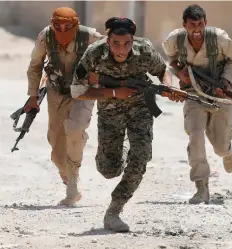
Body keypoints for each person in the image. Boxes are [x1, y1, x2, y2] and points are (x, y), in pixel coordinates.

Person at [70, 17, 184, 232]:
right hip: (110, 112)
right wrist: (114, 92)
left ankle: (114, 210)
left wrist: (168, 87)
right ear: (107, 40)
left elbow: (162, 70)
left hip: (141, 108)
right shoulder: (94, 54)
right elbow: (77, 91)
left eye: (127, 43)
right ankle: (120, 150)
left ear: (133, 40)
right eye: (116, 44)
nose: (121, 50)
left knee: (140, 158)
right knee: (108, 170)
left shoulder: (145, 50)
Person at [162, 4, 232, 204]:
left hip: (218, 94)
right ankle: (201, 187)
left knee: (220, 147)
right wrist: (178, 72)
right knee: (195, 135)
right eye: (192, 25)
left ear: (206, 23)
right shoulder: (175, 40)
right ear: (184, 25)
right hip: (192, 93)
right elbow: (169, 57)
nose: (196, 30)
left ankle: (229, 151)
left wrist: (225, 82)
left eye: (200, 24)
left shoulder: (219, 39)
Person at [25, 7, 104, 206]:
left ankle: (73, 183)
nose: (62, 29)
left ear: (76, 24)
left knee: (75, 129)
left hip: (84, 92)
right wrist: (32, 95)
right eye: (57, 25)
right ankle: (67, 174)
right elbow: (35, 65)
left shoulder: (89, 36)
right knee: (56, 142)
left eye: (67, 26)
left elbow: (112, 55)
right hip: (56, 91)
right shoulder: (46, 36)